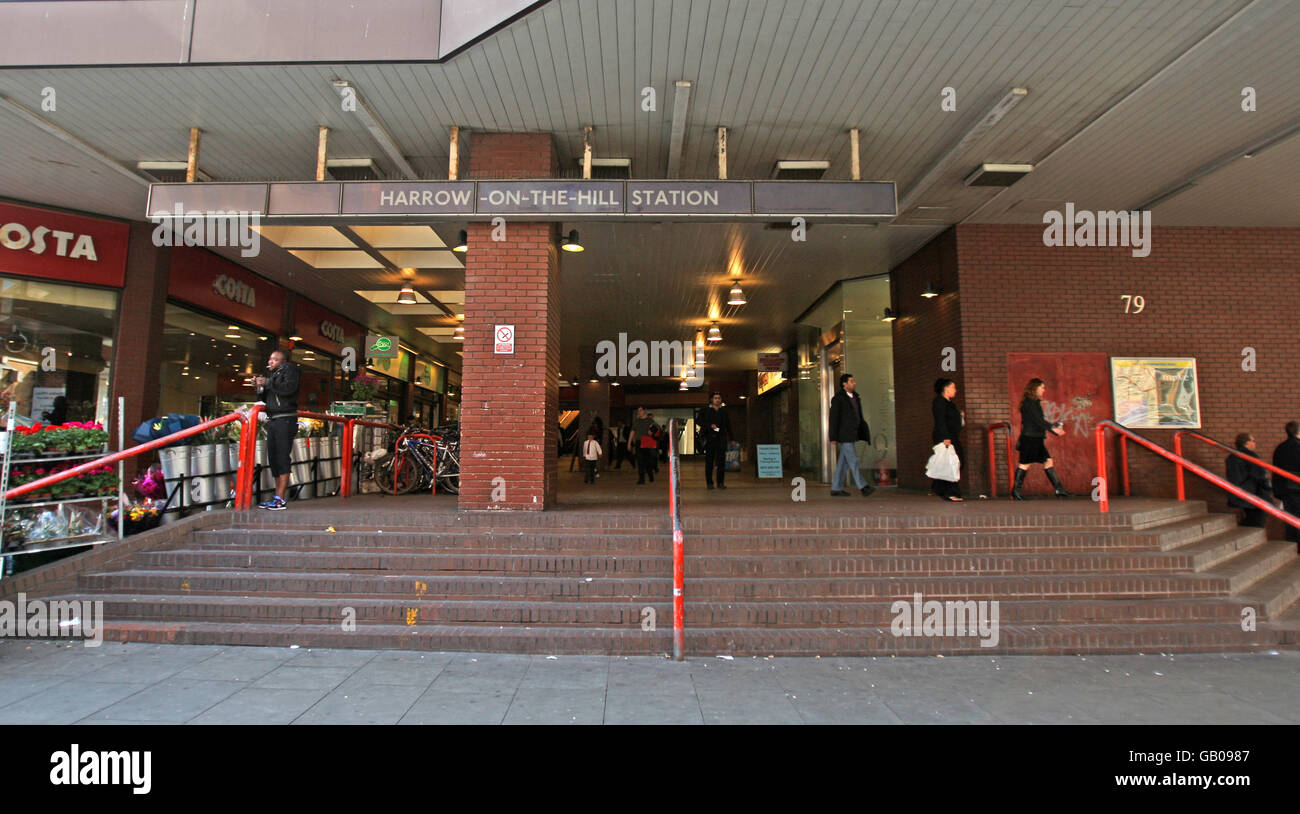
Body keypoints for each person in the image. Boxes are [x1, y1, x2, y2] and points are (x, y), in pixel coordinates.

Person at [254, 349, 300, 510]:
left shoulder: (290, 370)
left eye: (274, 359)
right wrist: (260, 387)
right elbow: (265, 399)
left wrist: (267, 382)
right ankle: (277, 496)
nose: (270, 361)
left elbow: (288, 389)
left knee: (281, 457)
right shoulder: (273, 376)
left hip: (285, 419)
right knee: (273, 458)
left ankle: (280, 498)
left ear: (282, 361)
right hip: (273, 420)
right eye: (270, 359)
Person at [1012, 378, 1070, 500]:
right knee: (1025, 464)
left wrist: (1052, 428)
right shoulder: (1030, 403)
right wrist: (1053, 429)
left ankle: (1059, 489)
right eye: (1042, 387)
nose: (1044, 390)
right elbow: (1038, 421)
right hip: (1031, 438)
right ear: (1035, 388)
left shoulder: (1031, 402)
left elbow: (1038, 421)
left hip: (1034, 438)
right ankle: (1016, 491)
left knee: (1047, 461)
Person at [827, 373, 875, 497]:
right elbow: (833, 418)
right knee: (853, 460)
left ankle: (836, 488)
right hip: (845, 435)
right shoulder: (838, 399)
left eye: (854, 381)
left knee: (844, 462)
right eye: (851, 381)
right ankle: (863, 486)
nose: (854, 383)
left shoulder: (855, 397)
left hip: (852, 434)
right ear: (844, 384)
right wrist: (833, 436)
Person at [1225, 432, 1271, 528]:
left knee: (1251, 518)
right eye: (1253, 441)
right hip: (1253, 493)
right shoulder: (1250, 456)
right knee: (1257, 520)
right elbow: (1260, 475)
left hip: (1239, 493)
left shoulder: (1231, 457)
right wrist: (1268, 487)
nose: (1255, 444)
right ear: (1246, 443)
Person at [931, 378, 965, 502]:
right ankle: (950, 492)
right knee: (952, 463)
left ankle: (939, 486)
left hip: (952, 436)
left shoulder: (950, 403)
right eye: (953, 387)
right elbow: (940, 421)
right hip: (945, 437)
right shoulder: (939, 402)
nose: (955, 390)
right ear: (946, 389)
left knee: (954, 462)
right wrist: (945, 437)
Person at [1272, 422, 1300, 548]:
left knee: (1290, 518)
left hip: (1285, 489)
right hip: (1297, 489)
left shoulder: (1280, 448)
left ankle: (1292, 544)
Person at [699, 392, 733, 490]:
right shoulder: (706, 410)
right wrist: (709, 425)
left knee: (721, 462)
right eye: (715, 398)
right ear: (711, 399)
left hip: (721, 438)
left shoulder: (724, 411)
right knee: (709, 461)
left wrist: (732, 438)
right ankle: (709, 483)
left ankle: (720, 483)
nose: (717, 400)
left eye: (719, 398)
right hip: (709, 438)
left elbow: (728, 425)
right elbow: (699, 421)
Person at [637, 418, 659, 484]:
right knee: (644, 463)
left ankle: (651, 475)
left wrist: (651, 434)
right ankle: (648, 476)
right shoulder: (642, 427)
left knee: (648, 463)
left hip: (650, 447)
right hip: (644, 446)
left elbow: (656, 436)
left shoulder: (654, 427)